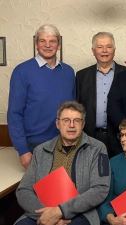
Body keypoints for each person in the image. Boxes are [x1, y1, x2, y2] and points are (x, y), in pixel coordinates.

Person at [15, 101, 110, 225]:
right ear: (57, 124)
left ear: (83, 124)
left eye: (77, 120)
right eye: (66, 120)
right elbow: (23, 190)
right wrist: (47, 215)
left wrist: (60, 211)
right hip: (41, 212)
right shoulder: (41, 151)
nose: (71, 125)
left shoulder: (98, 148)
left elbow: (100, 189)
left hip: (79, 214)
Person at [7, 24, 75, 168]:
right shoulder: (22, 72)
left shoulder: (68, 72)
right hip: (35, 145)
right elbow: (14, 114)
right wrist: (22, 150)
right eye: (43, 41)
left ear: (59, 45)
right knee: (40, 189)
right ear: (36, 44)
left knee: (68, 188)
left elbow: (74, 109)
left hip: (66, 141)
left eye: (52, 41)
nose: (47, 45)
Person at [76, 32, 126, 157]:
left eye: (108, 47)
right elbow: (77, 107)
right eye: (100, 47)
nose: (104, 50)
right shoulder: (82, 76)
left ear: (114, 50)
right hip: (90, 136)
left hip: (121, 136)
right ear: (93, 51)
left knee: (117, 174)